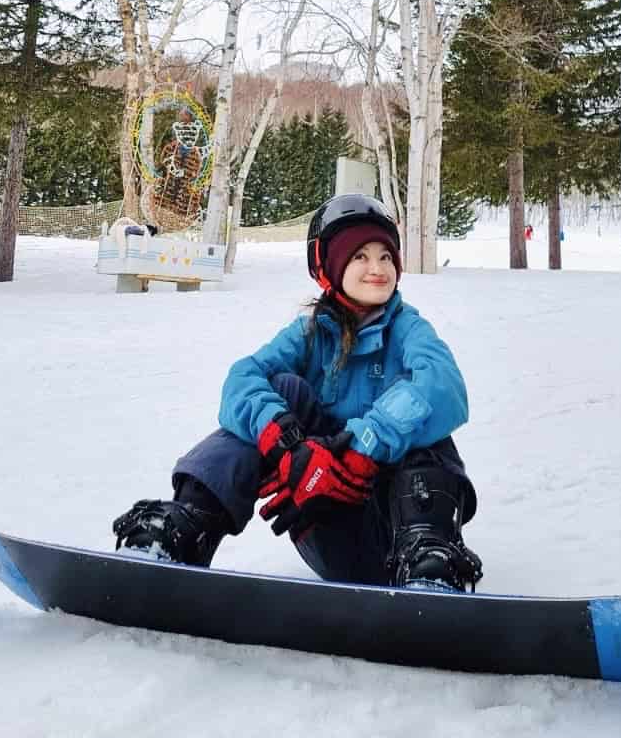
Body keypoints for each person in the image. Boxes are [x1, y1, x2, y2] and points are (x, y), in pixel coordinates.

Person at [112, 194, 482, 592]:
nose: (377, 268)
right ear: (332, 266)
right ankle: (185, 527)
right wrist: (288, 447)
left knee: (420, 420)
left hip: (392, 536)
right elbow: (242, 378)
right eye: (360, 256)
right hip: (325, 524)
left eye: (386, 257)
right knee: (280, 390)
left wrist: (363, 446)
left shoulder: (409, 330)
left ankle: (430, 558)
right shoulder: (310, 333)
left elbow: (443, 384)